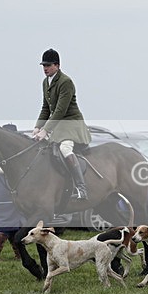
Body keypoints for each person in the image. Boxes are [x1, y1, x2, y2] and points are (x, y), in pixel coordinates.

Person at [32, 48, 92, 200]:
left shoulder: (66, 82)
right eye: (43, 65)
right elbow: (46, 108)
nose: (45, 68)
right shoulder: (46, 82)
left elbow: (60, 110)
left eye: (48, 65)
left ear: (57, 65)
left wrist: (45, 130)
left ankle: (81, 188)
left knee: (65, 149)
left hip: (71, 123)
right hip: (58, 125)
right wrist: (37, 127)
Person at [0, 123, 25, 261]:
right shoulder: (10, 153)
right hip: (7, 192)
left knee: (12, 225)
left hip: (2, 194)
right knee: (7, 225)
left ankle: (19, 254)